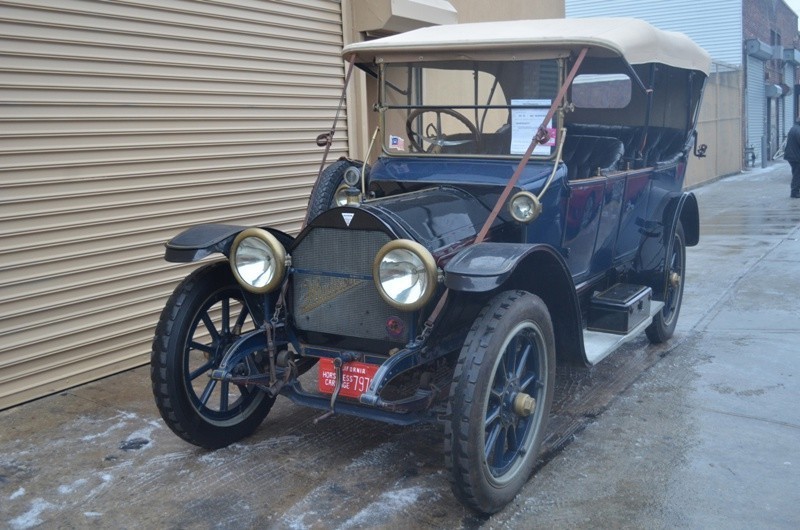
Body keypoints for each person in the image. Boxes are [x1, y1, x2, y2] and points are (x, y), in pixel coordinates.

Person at [783, 118, 800, 198]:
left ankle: (796, 190)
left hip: (792, 155)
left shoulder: (794, 128)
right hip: (796, 156)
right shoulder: (798, 130)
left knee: (796, 173)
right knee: (797, 174)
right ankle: (794, 192)